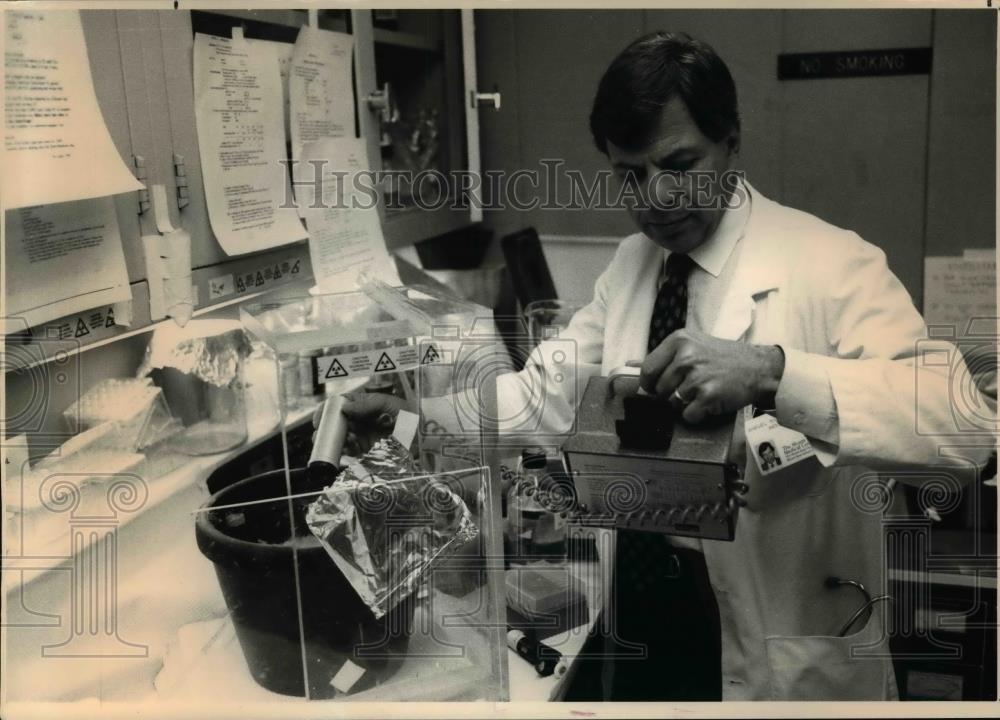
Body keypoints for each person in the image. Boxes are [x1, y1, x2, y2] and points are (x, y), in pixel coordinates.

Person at [329, 30, 993, 700]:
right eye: (630, 174)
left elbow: (962, 422)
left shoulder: (831, 263)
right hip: (647, 609)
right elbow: (538, 402)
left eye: (679, 164)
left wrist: (772, 372)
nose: (656, 198)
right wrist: (409, 419)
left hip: (781, 629)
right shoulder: (632, 267)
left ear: (732, 141)